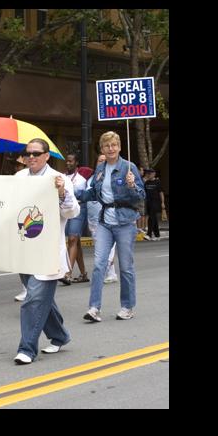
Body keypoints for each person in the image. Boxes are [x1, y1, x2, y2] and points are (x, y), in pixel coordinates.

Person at [13, 139, 80, 364]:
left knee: (33, 300)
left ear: (47, 155)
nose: (31, 157)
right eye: (27, 153)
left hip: (48, 252)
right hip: (24, 249)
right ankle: (60, 335)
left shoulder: (59, 179)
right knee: (42, 299)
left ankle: (27, 349)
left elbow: (72, 212)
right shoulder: (18, 178)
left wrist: (61, 193)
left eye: (36, 153)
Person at [80, 131, 145, 322]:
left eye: (114, 145)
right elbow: (92, 193)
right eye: (107, 146)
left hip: (125, 222)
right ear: (102, 149)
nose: (111, 148)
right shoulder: (100, 168)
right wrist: (69, 193)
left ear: (119, 147)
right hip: (105, 222)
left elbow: (141, 196)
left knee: (126, 267)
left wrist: (132, 186)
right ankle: (94, 308)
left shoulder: (129, 167)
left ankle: (127, 307)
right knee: (99, 265)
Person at [85, 154, 118, 283]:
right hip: (93, 219)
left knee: (106, 246)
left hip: (107, 218)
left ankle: (101, 271)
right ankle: (112, 274)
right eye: (100, 161)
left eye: (104, 161)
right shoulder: (91, 179)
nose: (102, 163)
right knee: (100, 247)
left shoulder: (111, 177)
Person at [60, 153, 89, 285]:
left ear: (76, 163)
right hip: (65, 210)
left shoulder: (81, 180)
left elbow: (81, 196)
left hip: (79, 209)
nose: (68, 163)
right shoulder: (62, 177)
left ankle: (67, 273)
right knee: (75, 242)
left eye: (71, 161)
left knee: (72, 239)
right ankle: (83, 274)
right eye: (67, 161)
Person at [13, 154, 29, 302]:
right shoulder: (19, 176)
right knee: (21, 255)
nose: (18, 167)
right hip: (20, 219)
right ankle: (25, 288)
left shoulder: (50, 176)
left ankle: (33, 289)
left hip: (35, 221)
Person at [144, 169, 165, 240]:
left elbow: (161, 193)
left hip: (156, 202)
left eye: (150, 173)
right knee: (154, 218)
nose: (148, 175)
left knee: (151, 217)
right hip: (148, 202)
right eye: (148, 173)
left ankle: (149, 234)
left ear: (154, 174)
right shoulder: (146, 183)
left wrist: (162, 203)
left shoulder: (157, 182)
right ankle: (157, 235)